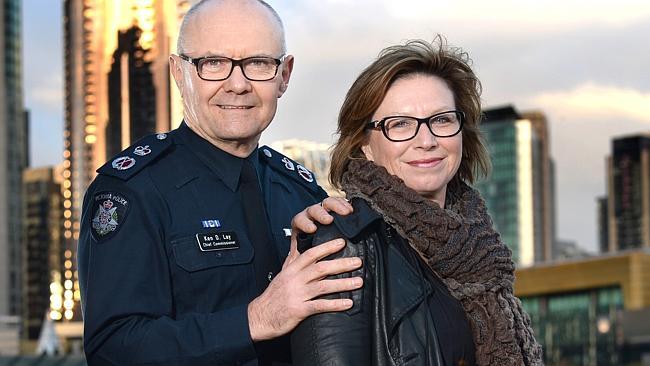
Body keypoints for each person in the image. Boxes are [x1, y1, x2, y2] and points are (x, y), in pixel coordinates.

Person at [77, 1, 360, 364]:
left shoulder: (303, 192)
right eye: (213, 63)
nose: (238, 84)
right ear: (179, 73)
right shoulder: (132, 191)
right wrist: (256, 319)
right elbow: (113, 350)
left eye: (258, 63)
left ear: (284, 75)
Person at [290, 37, 544, 366]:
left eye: (442, 120)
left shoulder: (480, 248)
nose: (426, 141)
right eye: (400, 125)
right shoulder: (346, 241)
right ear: (365, 143)